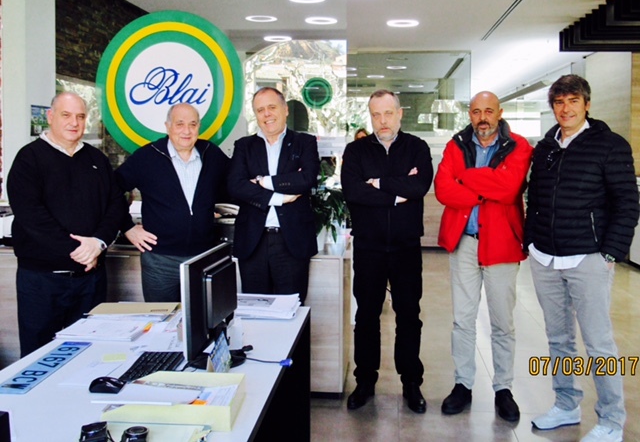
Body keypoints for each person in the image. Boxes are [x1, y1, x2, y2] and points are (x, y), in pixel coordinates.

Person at [525, 75, 639, 442]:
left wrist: (610, 252)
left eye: (573, 101)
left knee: (598, 342)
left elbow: (627, 203)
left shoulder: (610, 145)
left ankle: (611, 420)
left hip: (587, 258)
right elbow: (535, 197)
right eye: (559, 102)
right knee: (558, 338)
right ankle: (566, 404)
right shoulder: (546, 147)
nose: (566, 108)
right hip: (545, 257)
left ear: (586, 104)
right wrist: (530, 240)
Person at [434, 91, 533, 421]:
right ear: (470, 114)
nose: (482, 118)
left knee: (502, 322)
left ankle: (503, 389)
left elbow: (509, 188)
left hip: (502, 244)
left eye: (489, 111)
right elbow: (443, 188)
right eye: (476, 112)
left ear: (499, 113)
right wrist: (485, 189)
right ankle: (463, 384)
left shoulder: (518, 146)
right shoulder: (456, 145)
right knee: (463, 320)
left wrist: (465, 177)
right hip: (464, 242)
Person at [7, 92, 128, 356]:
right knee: (39, 357)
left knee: (90, 354)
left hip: (91, 279)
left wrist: (98, 243)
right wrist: (79, 252)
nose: (74, 122)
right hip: (42, 281)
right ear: (50, 117)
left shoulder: (97, 159)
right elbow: (32, 216)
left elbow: (116, 205)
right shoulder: (29, 159)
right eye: (66, 115)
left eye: (80, 116)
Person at [341, 89, 433, 413]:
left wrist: (377, 183)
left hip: (406, 247)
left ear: (399, 113)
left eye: (388, 113)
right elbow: (353, 192)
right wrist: (396, 193)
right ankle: (365, 381)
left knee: (409, 316)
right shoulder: (355, 151)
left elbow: (419, 186)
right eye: (376, 114)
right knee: (366, 316)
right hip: (369, 247)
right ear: (370, 116)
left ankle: (411, 382)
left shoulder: (417, 148)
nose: (382, 121)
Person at [115, 103, 230, 302]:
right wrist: (127, 227)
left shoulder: (211, 153)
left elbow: (233, 186)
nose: (187, 131)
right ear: (168, 126)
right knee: (162, 317)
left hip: (202, 259)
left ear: (199, 127)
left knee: (202, 318)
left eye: (192, 124)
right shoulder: (146, 157)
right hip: (160, 261)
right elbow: (111, 191)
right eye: (180, 124)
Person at [228, 87, 319, 304]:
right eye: (260, 110)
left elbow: (306, 179)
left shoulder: (304, 142)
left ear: (285, 110)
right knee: (256, 310)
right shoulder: (244, 146)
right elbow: (236, 185)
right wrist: (278, 197)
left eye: (272, 107)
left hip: (291, 242)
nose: (267, 114)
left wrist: (262, 181)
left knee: (292, 308)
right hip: (254, 242)